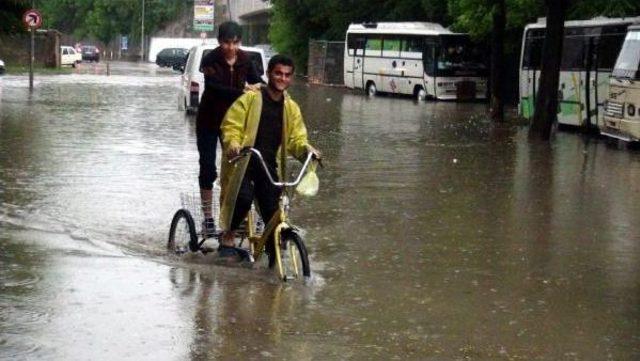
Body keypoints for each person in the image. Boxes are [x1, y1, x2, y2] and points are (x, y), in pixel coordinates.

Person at [218, 54, 320, 258]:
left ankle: (273, 258)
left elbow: (296, 139)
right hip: (244, 162)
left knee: (274, 212)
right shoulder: (250, 98)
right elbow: (231, 125)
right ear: (268, 74)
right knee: (243, 198)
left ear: (291, 78)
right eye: (278, 74)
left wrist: (308, 150)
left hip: (269, 166)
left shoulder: (291, 108)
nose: (282, 78)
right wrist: (233, 143)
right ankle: (228, 235)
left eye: (287, 75)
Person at [196, 21, 263, 236]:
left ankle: (233, 216)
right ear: (220, 42)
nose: (231, 48)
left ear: (239, 42)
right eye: (227, 43)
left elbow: (257, 81)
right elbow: (214, 88)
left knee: (236, 168)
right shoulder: (210, 59)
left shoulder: (246, 60)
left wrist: (263, 88)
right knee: (208, 168)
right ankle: (208, 218)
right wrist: (244, 91)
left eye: (235, 43)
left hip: (234, 123)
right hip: (209, 120)